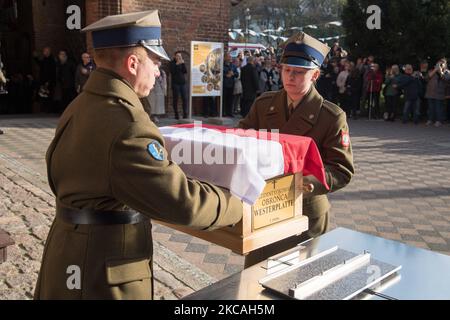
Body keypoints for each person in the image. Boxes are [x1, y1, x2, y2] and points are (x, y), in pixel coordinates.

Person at [34, 10, 242, 300]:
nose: (159, 72)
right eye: (155, 62)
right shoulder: (128, 124)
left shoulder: (81, 104)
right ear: (133, 63)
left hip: (67, 252)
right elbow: (182, 202)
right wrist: (238, 203)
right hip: (100, 273)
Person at [239, 32, 354, 267]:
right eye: (286, 69)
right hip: (265, 208)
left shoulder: (331, 116)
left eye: (299, 72)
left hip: (305, 213)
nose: (290, 76)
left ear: (315, 75)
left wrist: (309, 182)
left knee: (296, 280)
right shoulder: (264, 104)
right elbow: (240, 141)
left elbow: (341, 170)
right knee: (255, 276)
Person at [169, 51, 188, 119]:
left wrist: (183, 64)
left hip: (183, 83)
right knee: (175, 99)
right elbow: (172, 72)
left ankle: (185, 114)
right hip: (175, 84)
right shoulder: (172, 63)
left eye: (180, 56)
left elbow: (185, 71)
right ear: (175, 56)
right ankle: (176, 114)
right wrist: (177, 64)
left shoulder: (181, 62)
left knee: (185, 99)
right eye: (177, 56)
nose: (179, 57)